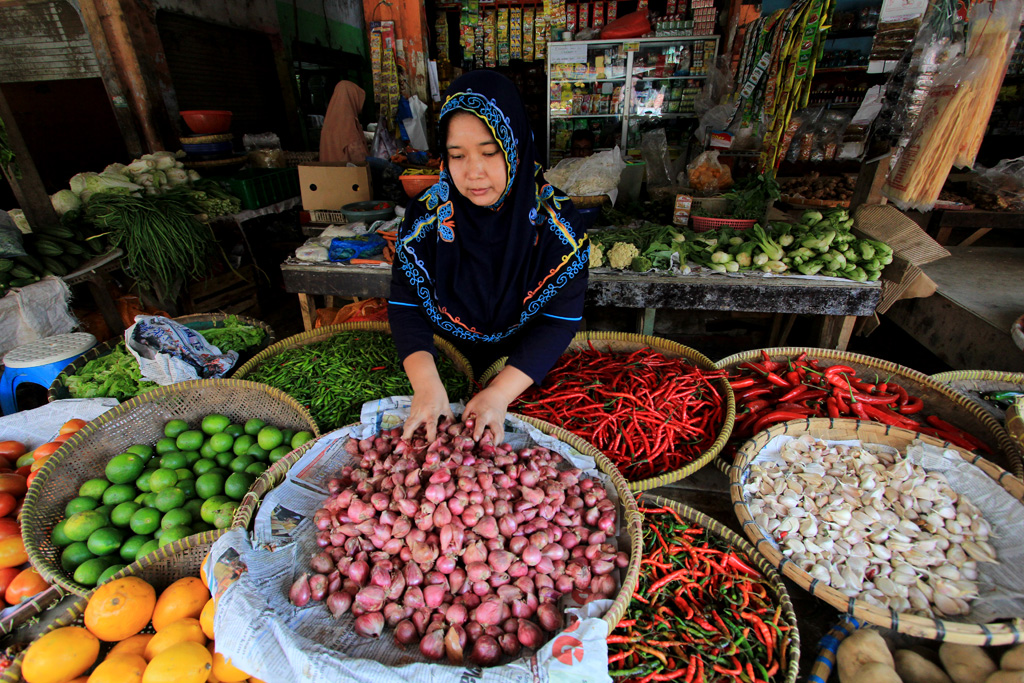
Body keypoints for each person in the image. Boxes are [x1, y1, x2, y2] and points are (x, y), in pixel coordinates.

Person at [388, 71, 590, 445]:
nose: (473, 172)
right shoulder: (425, 218)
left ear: (514, 146)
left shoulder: (557, 227)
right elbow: (404, 304)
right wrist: (428, 384)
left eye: (489, 152)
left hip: (525, 371)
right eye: (456, 155)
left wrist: (499, 394)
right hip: (441, 362)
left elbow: (559, 321)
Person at [319, 81, 369, 164]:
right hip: (346, 173)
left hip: (329, 172)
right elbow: (358, 157)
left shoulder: (329, 121)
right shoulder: (347, 121)